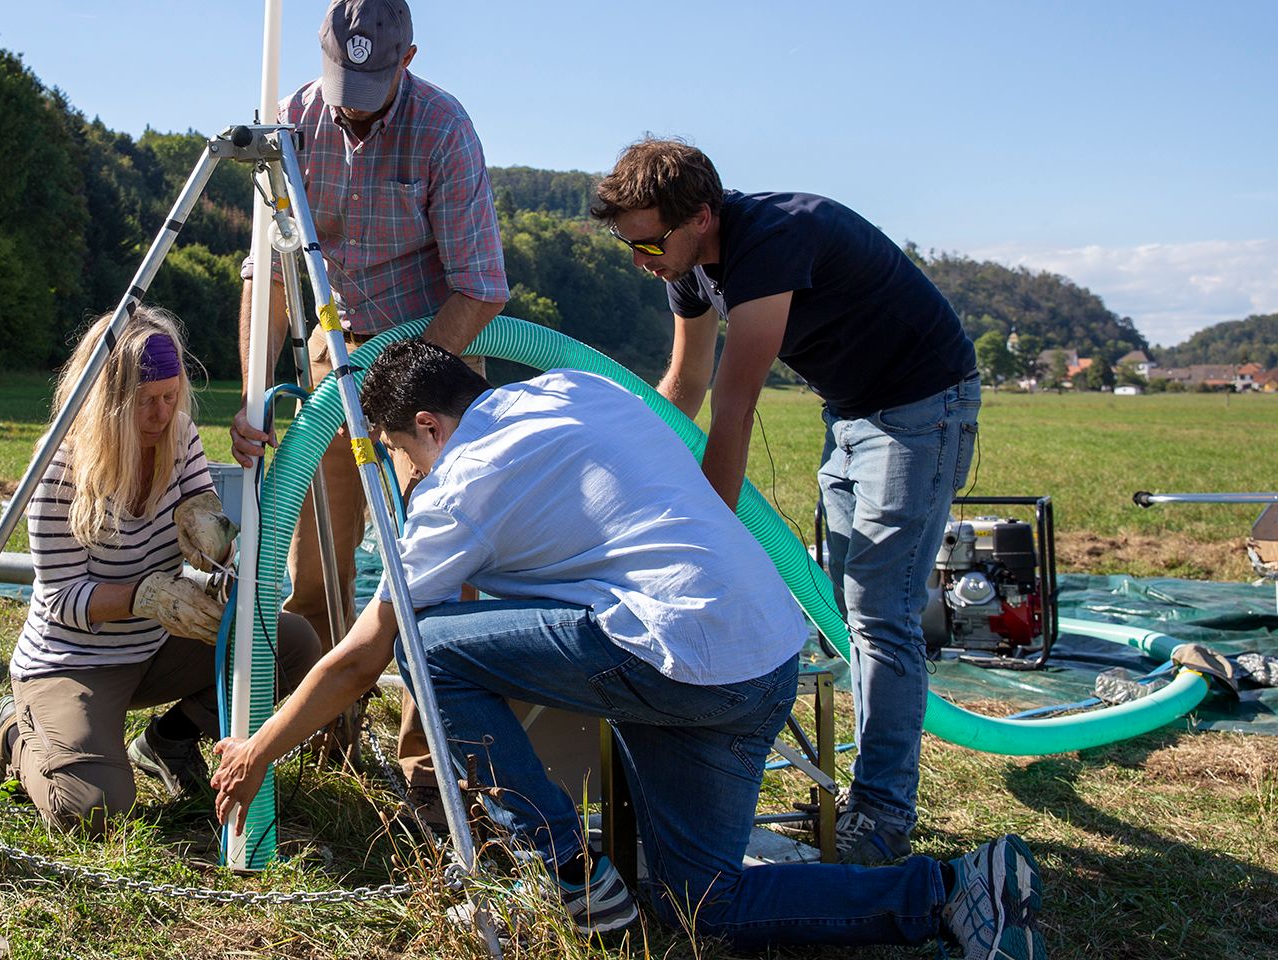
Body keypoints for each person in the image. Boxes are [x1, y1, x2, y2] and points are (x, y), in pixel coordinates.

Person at [210, 339, 1043, 959]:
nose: (405, 474)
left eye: (397, 454)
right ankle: (954, 892)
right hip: (760, 656)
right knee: (699, 908)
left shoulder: (460, 481)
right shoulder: (581, 388)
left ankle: (566, 870)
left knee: (427, 650)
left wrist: (256, 752)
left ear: (427, 426)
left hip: (674, 652)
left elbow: (364, 657)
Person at [589, 139, 981, 865]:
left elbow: (735, 406)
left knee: (879, 613)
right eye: (626, 243)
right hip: (853, 411)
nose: (640, 259)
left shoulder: (771, 239)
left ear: (702, 215)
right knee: (845, 604)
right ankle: (870, 791)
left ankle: (883, 817)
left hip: (924, 407)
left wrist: (701, 540)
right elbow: (684, 390)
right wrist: (640, 491)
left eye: (648, 241)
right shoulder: (688, 266)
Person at [228, 0, 509, 816]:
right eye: (342, 81)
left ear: (410, 57)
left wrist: (402, 377)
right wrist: (255, 388)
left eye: (372, 85)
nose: (353, 102)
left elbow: (481, 285)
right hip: (332, 346)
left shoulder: (444, 130)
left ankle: (430, 767)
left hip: (434, 357)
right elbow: (264, 269)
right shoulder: (292, 122)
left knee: (436, 568)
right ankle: (327, 733)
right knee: (314, 555)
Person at [0, 307, 320, 834]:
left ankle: (170, 739)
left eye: (170, 396)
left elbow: (207, 536)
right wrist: (146, 595)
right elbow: (60, 600)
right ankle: (17, 734)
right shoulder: (61, 465)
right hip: (75, 660)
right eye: (144, 403)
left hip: (156, 646)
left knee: (290, 643)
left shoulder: (180, 437)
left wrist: (213, 534)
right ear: (106, 404)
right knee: (91, 809)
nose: (162, 415)